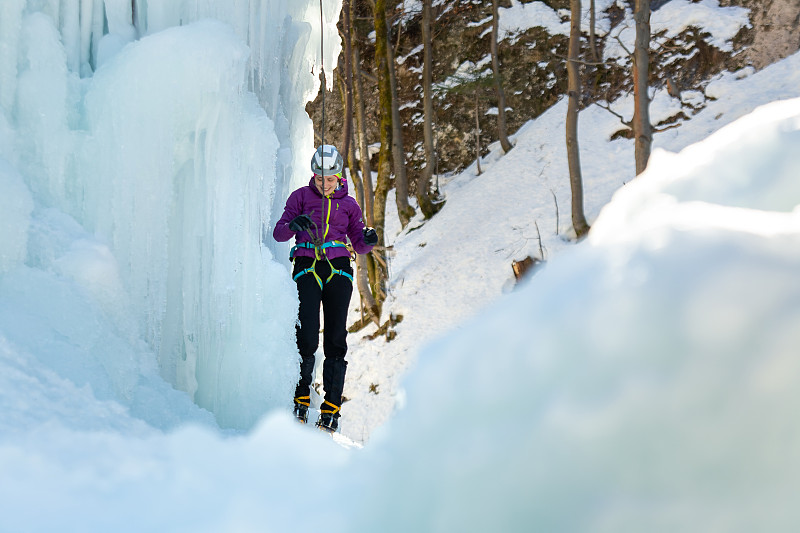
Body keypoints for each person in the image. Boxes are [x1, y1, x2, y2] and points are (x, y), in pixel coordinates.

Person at [273, 145, 377, 432]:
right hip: (307, 265)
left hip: (338, 268)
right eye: (320, 179)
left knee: (335, 335)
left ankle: (332, 407)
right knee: (306, 334)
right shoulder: (301, 197)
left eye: (330, 179)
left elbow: (359, 244)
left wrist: (369, 238)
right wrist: (294, 223)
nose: (325, 184)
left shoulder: (350, 205)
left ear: (338, 176)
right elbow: (279, 233)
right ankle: (301, 395)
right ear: (313, 175)